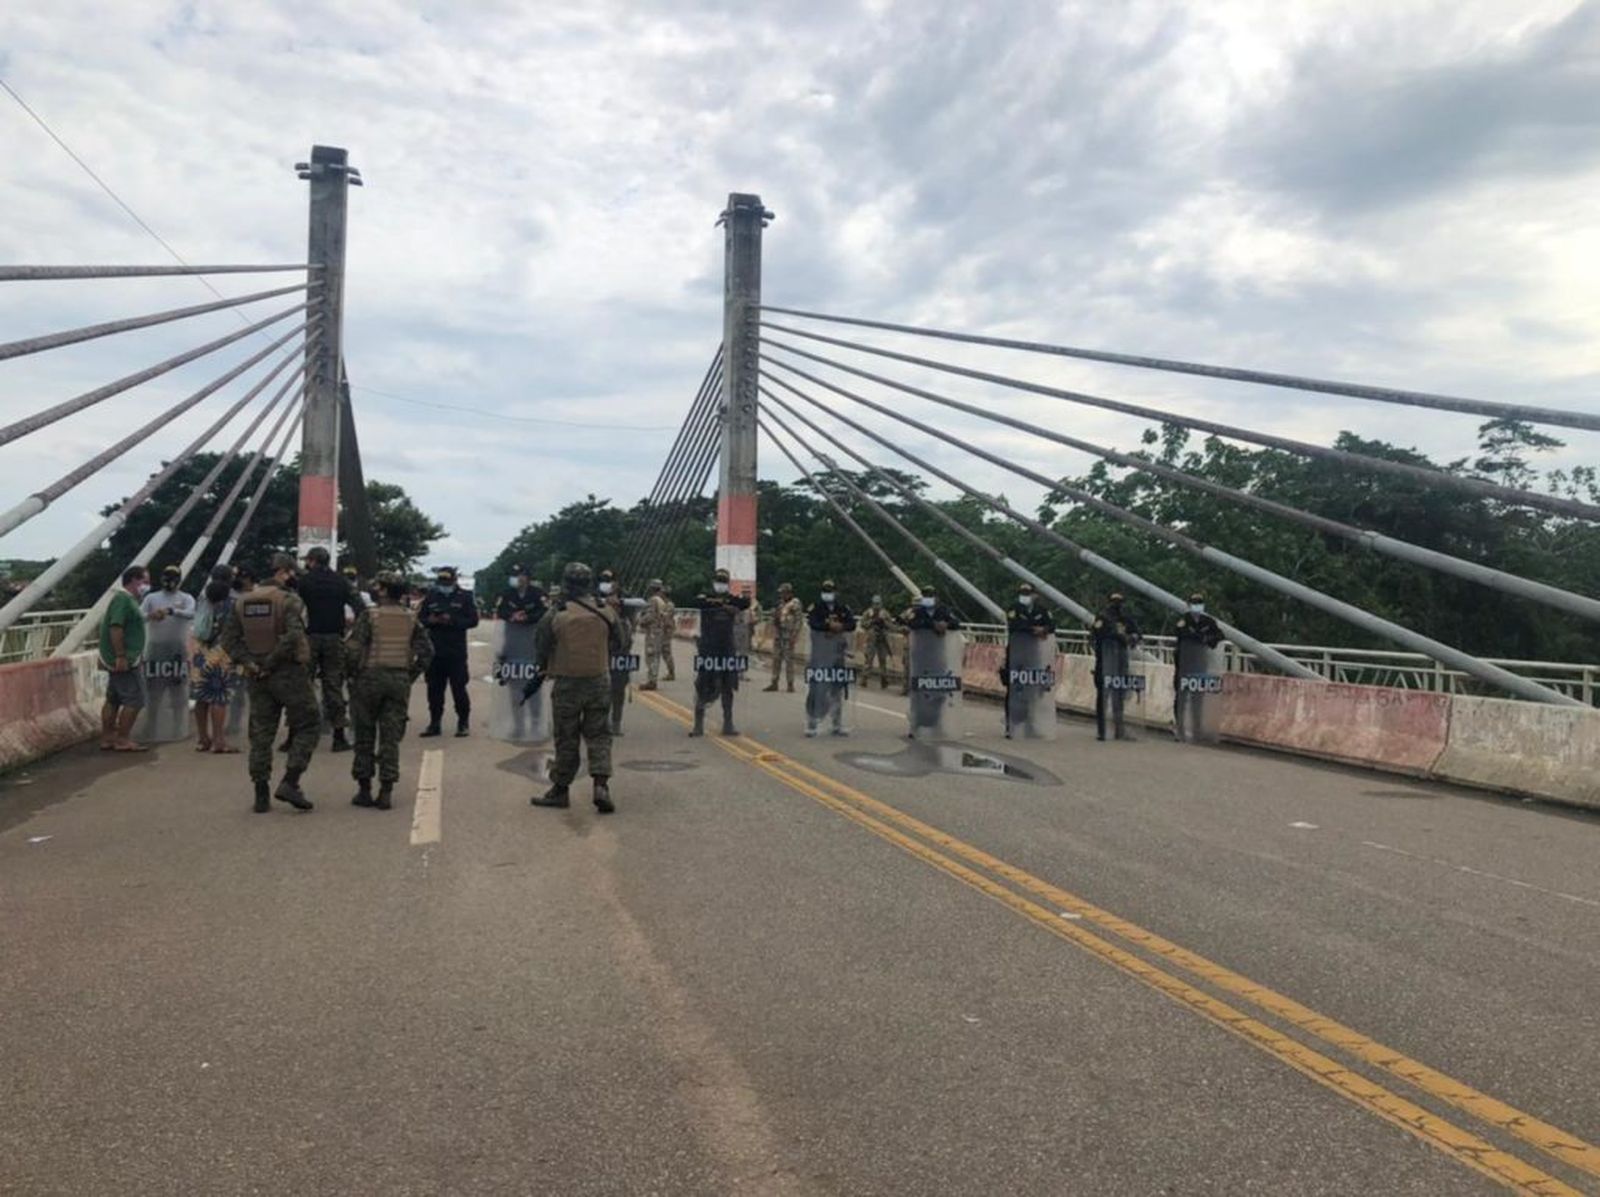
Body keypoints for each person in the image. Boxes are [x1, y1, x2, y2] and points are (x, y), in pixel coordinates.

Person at [218, 553, 317, 812]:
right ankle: (291, 781)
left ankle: (260, 794)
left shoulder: (241, 603)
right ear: (284, 574)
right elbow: (295, 634)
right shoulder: (289, 601)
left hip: (256, 676)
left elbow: (228, 641)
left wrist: (251, 663)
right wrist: (271, 661)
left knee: (261, 734)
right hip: (288, 673)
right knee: (309, 723)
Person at [530, 561, 624, 814]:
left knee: (566, 737)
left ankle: (560, 790)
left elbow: (540, 646)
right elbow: (620, 642)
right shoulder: (606, 610)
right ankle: (601, 786)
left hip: (567, 682)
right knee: (599, 735)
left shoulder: (556, 612)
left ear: (566, 584)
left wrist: (544, 667)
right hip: (599, 680)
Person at [348, 572, 433, 810]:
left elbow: (354, 649)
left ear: (384, 590)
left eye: (378, 586)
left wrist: (351, 674)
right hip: (398, 680)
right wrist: (409, 674)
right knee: (390, 737)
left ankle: (364, 790)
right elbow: (427, 652)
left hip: (369, 678)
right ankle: (386, 790)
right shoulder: (411, 618)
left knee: (364, 735)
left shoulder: (369, 616)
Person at [296, 546, 357, 752]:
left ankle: (295, 735)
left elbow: (294, 609)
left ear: (312, 561)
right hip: (334, 638)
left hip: (310, 638)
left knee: (303, 686)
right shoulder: (341, 582)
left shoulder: (304, 582)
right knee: (334, 687)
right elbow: (360, 607)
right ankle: (339, 736)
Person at [417, 565, 479, 737]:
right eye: (442, 581)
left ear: (454, 580)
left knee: (459, 689)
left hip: (456, 652)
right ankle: (434, 723)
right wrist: (431, 620)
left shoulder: (465, 597)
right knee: (434, 691)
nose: (444, 584)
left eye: (447, 581)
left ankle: (463, 723)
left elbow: (473, 620)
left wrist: (451, 620)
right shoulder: (431, 597)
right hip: (435, 651)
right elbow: (420, 619)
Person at [898, 586, 963, 739]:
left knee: (939, 690)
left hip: (938, 656)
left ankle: (937, 723)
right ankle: (916, 725)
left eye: (931, 595)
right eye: (925, 595)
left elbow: (956, 623)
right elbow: (913, 624)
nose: (928, 598)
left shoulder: (943, 611)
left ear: (936, 597)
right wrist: (933, 625)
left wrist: (946, 625)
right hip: (920, 657)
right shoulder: (917, 611)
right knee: (919, 692)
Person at [98, 565, 150, 752]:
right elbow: (116, 627)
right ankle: (122, 739)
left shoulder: (127, 601)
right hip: (124, 659)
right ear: (134, 580)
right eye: (145, 581)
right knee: (135, 699)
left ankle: (108, 738)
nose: (147, 585)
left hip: (119, 657)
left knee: (113, 698)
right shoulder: (123, 600)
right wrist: (121, 655)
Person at [692, 567, 750, 736]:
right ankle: (698, 724)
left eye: (724, 582)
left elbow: (744, 603)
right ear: (714, 582)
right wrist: (723, 605)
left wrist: (729, 606)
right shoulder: (706, 597)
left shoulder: (732, 599)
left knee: (728, 685)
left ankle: (728, 723)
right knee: (703, 684)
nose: (721, 584)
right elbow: (699, 602)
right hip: (708, 648)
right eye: (719, 581)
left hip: (726, 648)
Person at [190, 572, 240, 753]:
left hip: (201, 653)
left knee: (201, 698)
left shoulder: (203, 602)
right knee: (219, 698)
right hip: (222, 655)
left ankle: (203, 738)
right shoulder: (231, 606)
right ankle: (219, 740)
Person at [1004, 582, 1056, 739]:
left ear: (1035, 595)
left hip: (1035, 654)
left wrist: (1045, 629)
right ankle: (1011, 724)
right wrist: (1036, 629)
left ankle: (1031, 723)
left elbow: (1052, 625)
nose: (1025, 596)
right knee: (1015, 689)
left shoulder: (1042, 610)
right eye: (1022, 593)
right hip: (1016, 654)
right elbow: (1014, 625)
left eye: (1028, 593)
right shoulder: (1014, 608)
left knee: (1033, 689)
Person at [805, 580, 856, 737]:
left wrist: (840, 627)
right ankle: (812, 724)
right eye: (825, 590)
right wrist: (828, 627)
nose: (828, 593)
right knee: (817, 689)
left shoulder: (842, 608)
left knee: (837, 689)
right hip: (820, 656)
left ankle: (836, 724)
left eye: (831, 590)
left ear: (836, 592)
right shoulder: (816, 608)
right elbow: (813, 623)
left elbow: (852, 624)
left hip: (837, 656)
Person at [1092, 592, 1142, 742]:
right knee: (1103, 695)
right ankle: (1102, 730)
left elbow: (1137, 633)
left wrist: (1133, 637)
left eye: (1119, 602)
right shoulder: (1102, 618)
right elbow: (1096, 634)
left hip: (1121, 661)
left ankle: (1119, 729)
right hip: (1105, 661)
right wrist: (1118, 636)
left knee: (1119, 694)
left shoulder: (1126, 619)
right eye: (1114, 602)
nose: (1117, 605)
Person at [1173, 591, 1223, 742]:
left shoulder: (1208, 621)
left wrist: (1208, 638)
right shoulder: (1183, 620)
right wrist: (1201, 637)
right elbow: (1181, 633)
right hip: (1184, 664)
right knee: (1181, 698)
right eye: (1194, 603)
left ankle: (1197, 730)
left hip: (1200, 664)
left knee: (1198, 698)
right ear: (1189, 605)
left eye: (1199, 603)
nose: (1197, 606)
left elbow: (1219, 635)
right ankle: (1180, 729)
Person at [598, 568, 640, 735]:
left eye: (610, 580)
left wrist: (620, 603)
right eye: (603, 580)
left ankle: (616, 723)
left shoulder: (625, 596)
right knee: (600, 690)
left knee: (618, 689)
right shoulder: (593, 596)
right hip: (600, 649)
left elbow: (640, 604)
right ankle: (601, 722)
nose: (607, 584)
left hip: (621, 649)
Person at [763, 582, 803, 692]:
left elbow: (799, 620)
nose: (782, 595)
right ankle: (774, 682)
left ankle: (790, 684)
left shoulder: (795, 603)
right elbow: (774, 618)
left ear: (789, 593)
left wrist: (795, 635)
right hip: (779, 634)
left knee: (789, 660)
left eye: (783, 593)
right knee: (776, 659)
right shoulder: (779, 604)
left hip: (788, 634)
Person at [637, 578, 675, 690]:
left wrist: (640, 621)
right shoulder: (662, 600)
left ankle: (652, 681)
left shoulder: (653, 600)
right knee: (658, 655)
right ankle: (653, 679)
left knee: (651, 655)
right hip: (661, 630)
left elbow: (650, 616)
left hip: (653, 632)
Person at [860, 593, 894, 688]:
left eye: (878, 604)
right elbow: (862, 624)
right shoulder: (868, 613)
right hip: (871, 637)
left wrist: (884, 623)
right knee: (869, 659)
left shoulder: (885, 613)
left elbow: (890, 625)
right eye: (875, 604)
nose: (876, 606)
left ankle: (884, 680)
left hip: (882, 638)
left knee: (883, 659)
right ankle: (864, 678)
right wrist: (872, 622)